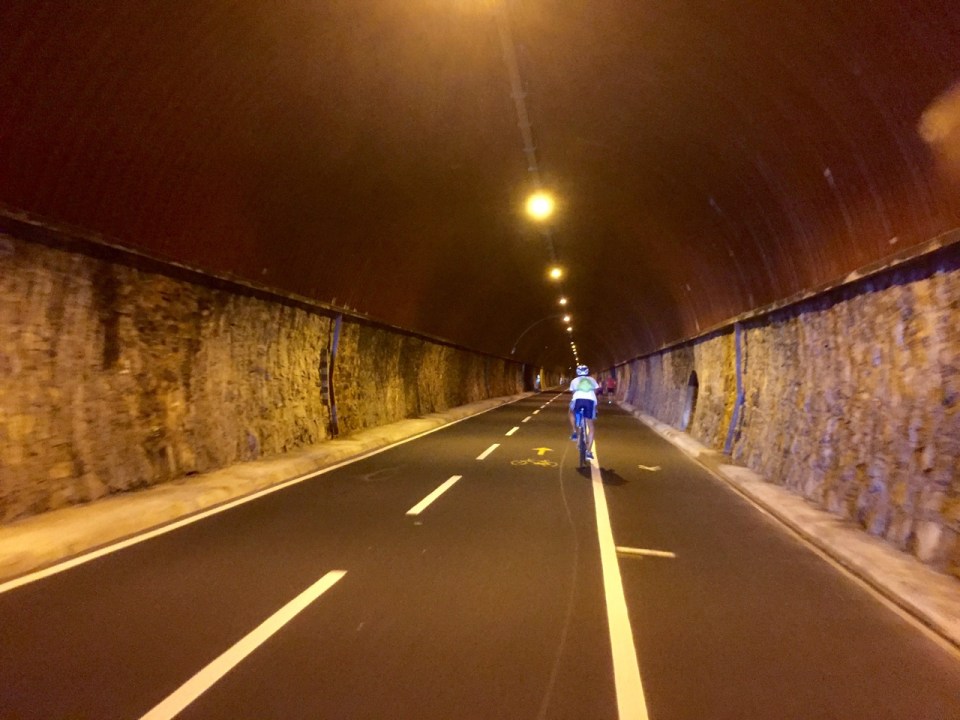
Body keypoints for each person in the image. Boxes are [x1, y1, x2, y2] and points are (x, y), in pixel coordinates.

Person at [568, 365, 599, 460]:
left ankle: (574, 432)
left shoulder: (574, 381)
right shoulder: (592, 380)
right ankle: (588, 452)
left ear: (577, 372)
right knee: (591, 427)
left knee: (571, 412)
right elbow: (596, 390)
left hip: (578, 400)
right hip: (590, 401)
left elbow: (572, 392)